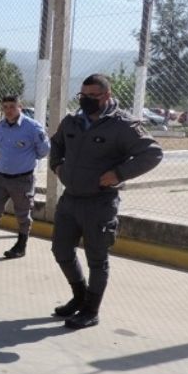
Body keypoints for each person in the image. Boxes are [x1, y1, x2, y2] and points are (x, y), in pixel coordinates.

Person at [50, 74, 163, 329]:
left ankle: (91, 310)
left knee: (97, 259)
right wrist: (57, 166)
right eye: (83, 96)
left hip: (100, 203)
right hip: (70, 200)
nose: (87, 100)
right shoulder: (72, 121)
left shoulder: (123, 125)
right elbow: (56, 144)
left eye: (93, 96)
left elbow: (153, 153)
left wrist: (119, 174)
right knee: (61, 250)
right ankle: (79, 297)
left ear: (107, 95)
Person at [0, 94, 50, 258]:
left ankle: (21, 246)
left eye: (12, 107)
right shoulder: (0, 126)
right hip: (1, 177)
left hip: (22, 179)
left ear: (20, 107)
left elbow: (43, 150)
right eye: (5, 107)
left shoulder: (32, 128)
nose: (8, 110)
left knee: (22, 214)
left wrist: (25, 160)